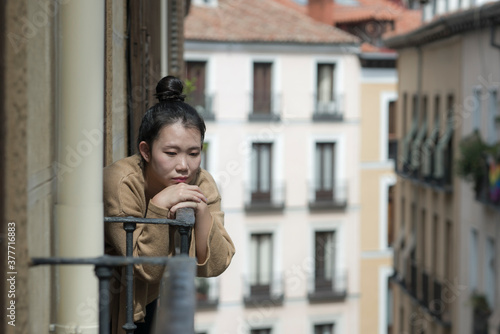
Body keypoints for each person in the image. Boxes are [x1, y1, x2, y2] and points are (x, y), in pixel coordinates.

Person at [103, 75, 235, 334]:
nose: (184, 165)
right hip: (108, 304)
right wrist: (159, 205)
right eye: (171, 153)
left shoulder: (201, 182)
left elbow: (217, 263)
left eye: (194, 153)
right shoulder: (121, 181)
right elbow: (145, 268)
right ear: (145, 151)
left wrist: (203, 212)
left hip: (152, 300)